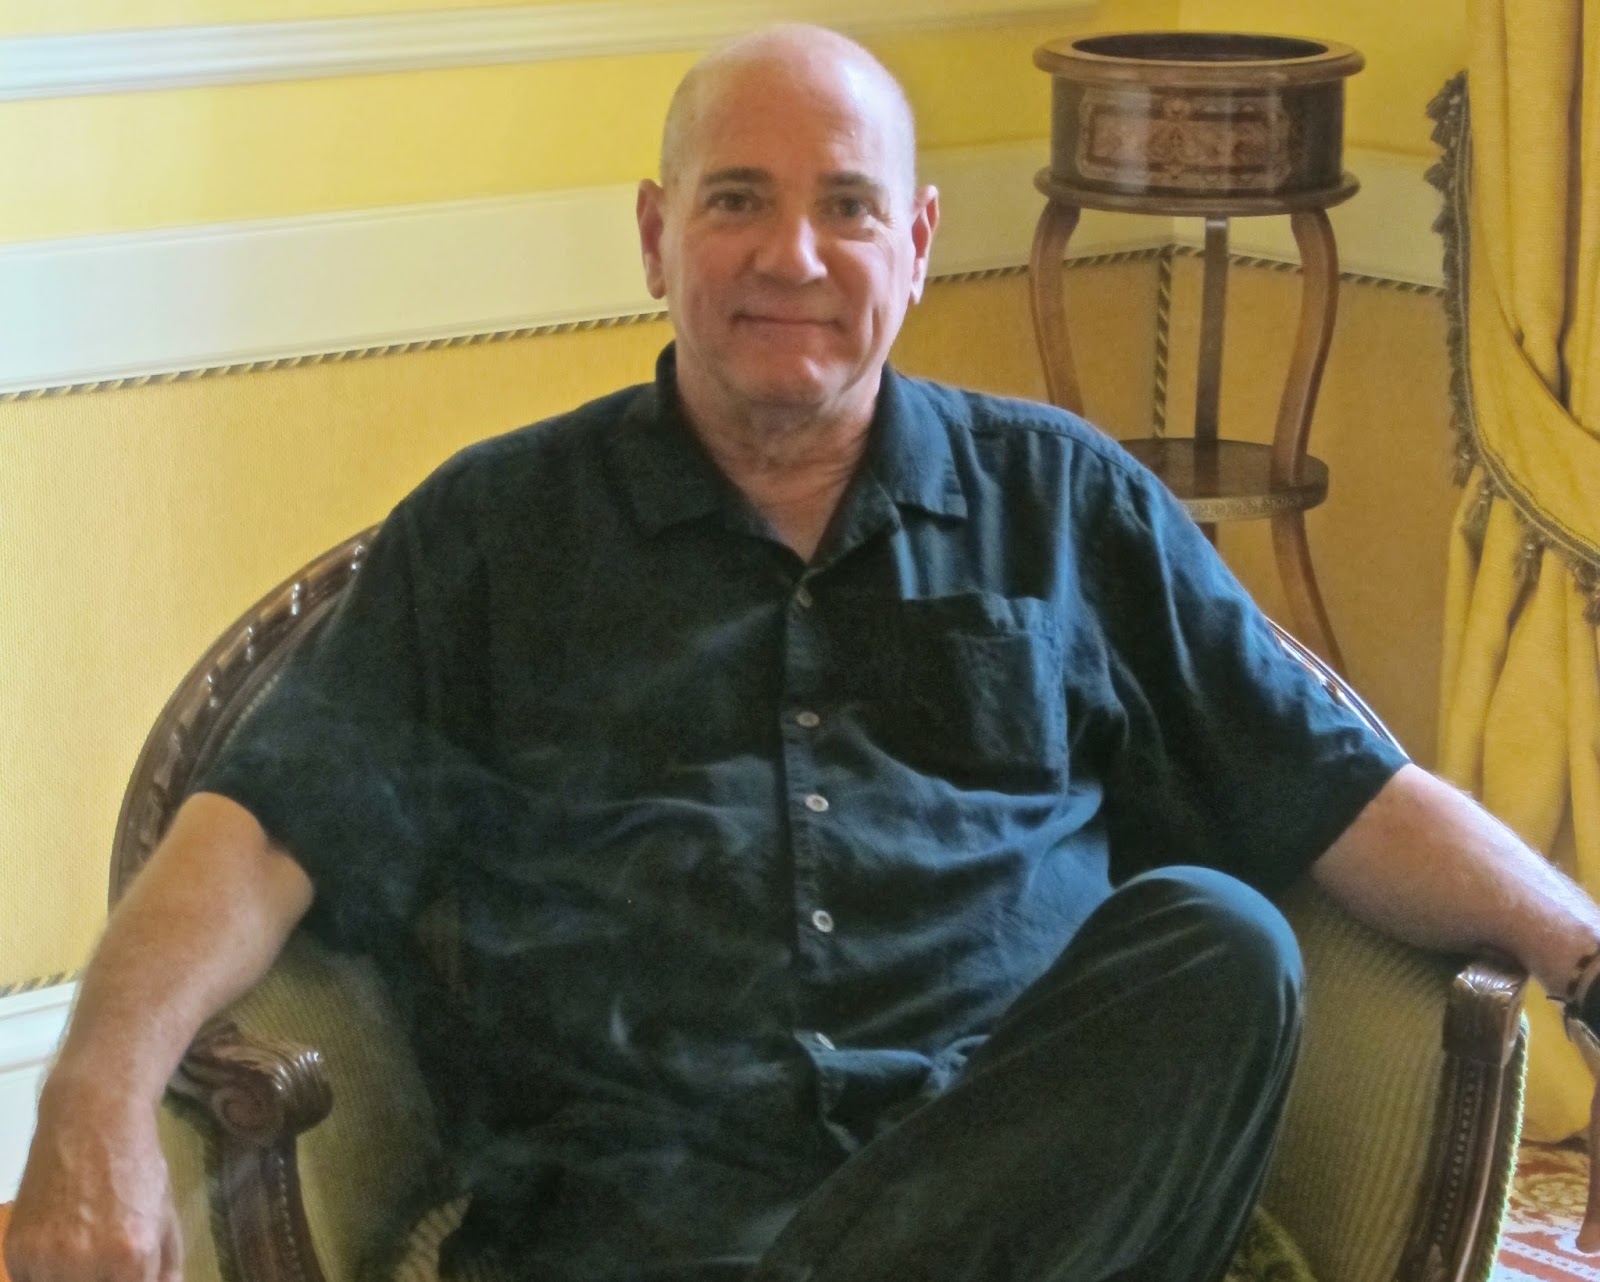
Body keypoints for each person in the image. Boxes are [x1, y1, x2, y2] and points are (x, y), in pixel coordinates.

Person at [8, 22, 1600, 1282]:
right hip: (638, 1208)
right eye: (736, 201)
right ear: (656, 237)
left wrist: (1587, 959)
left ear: (916, 241)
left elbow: (1337, 788)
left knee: (1222, 945)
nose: (796, 255)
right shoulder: (495, 530)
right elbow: (266, 821)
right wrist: (90, 1093)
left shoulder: (1064, 502)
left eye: (847, 205)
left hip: (1018, 1188)